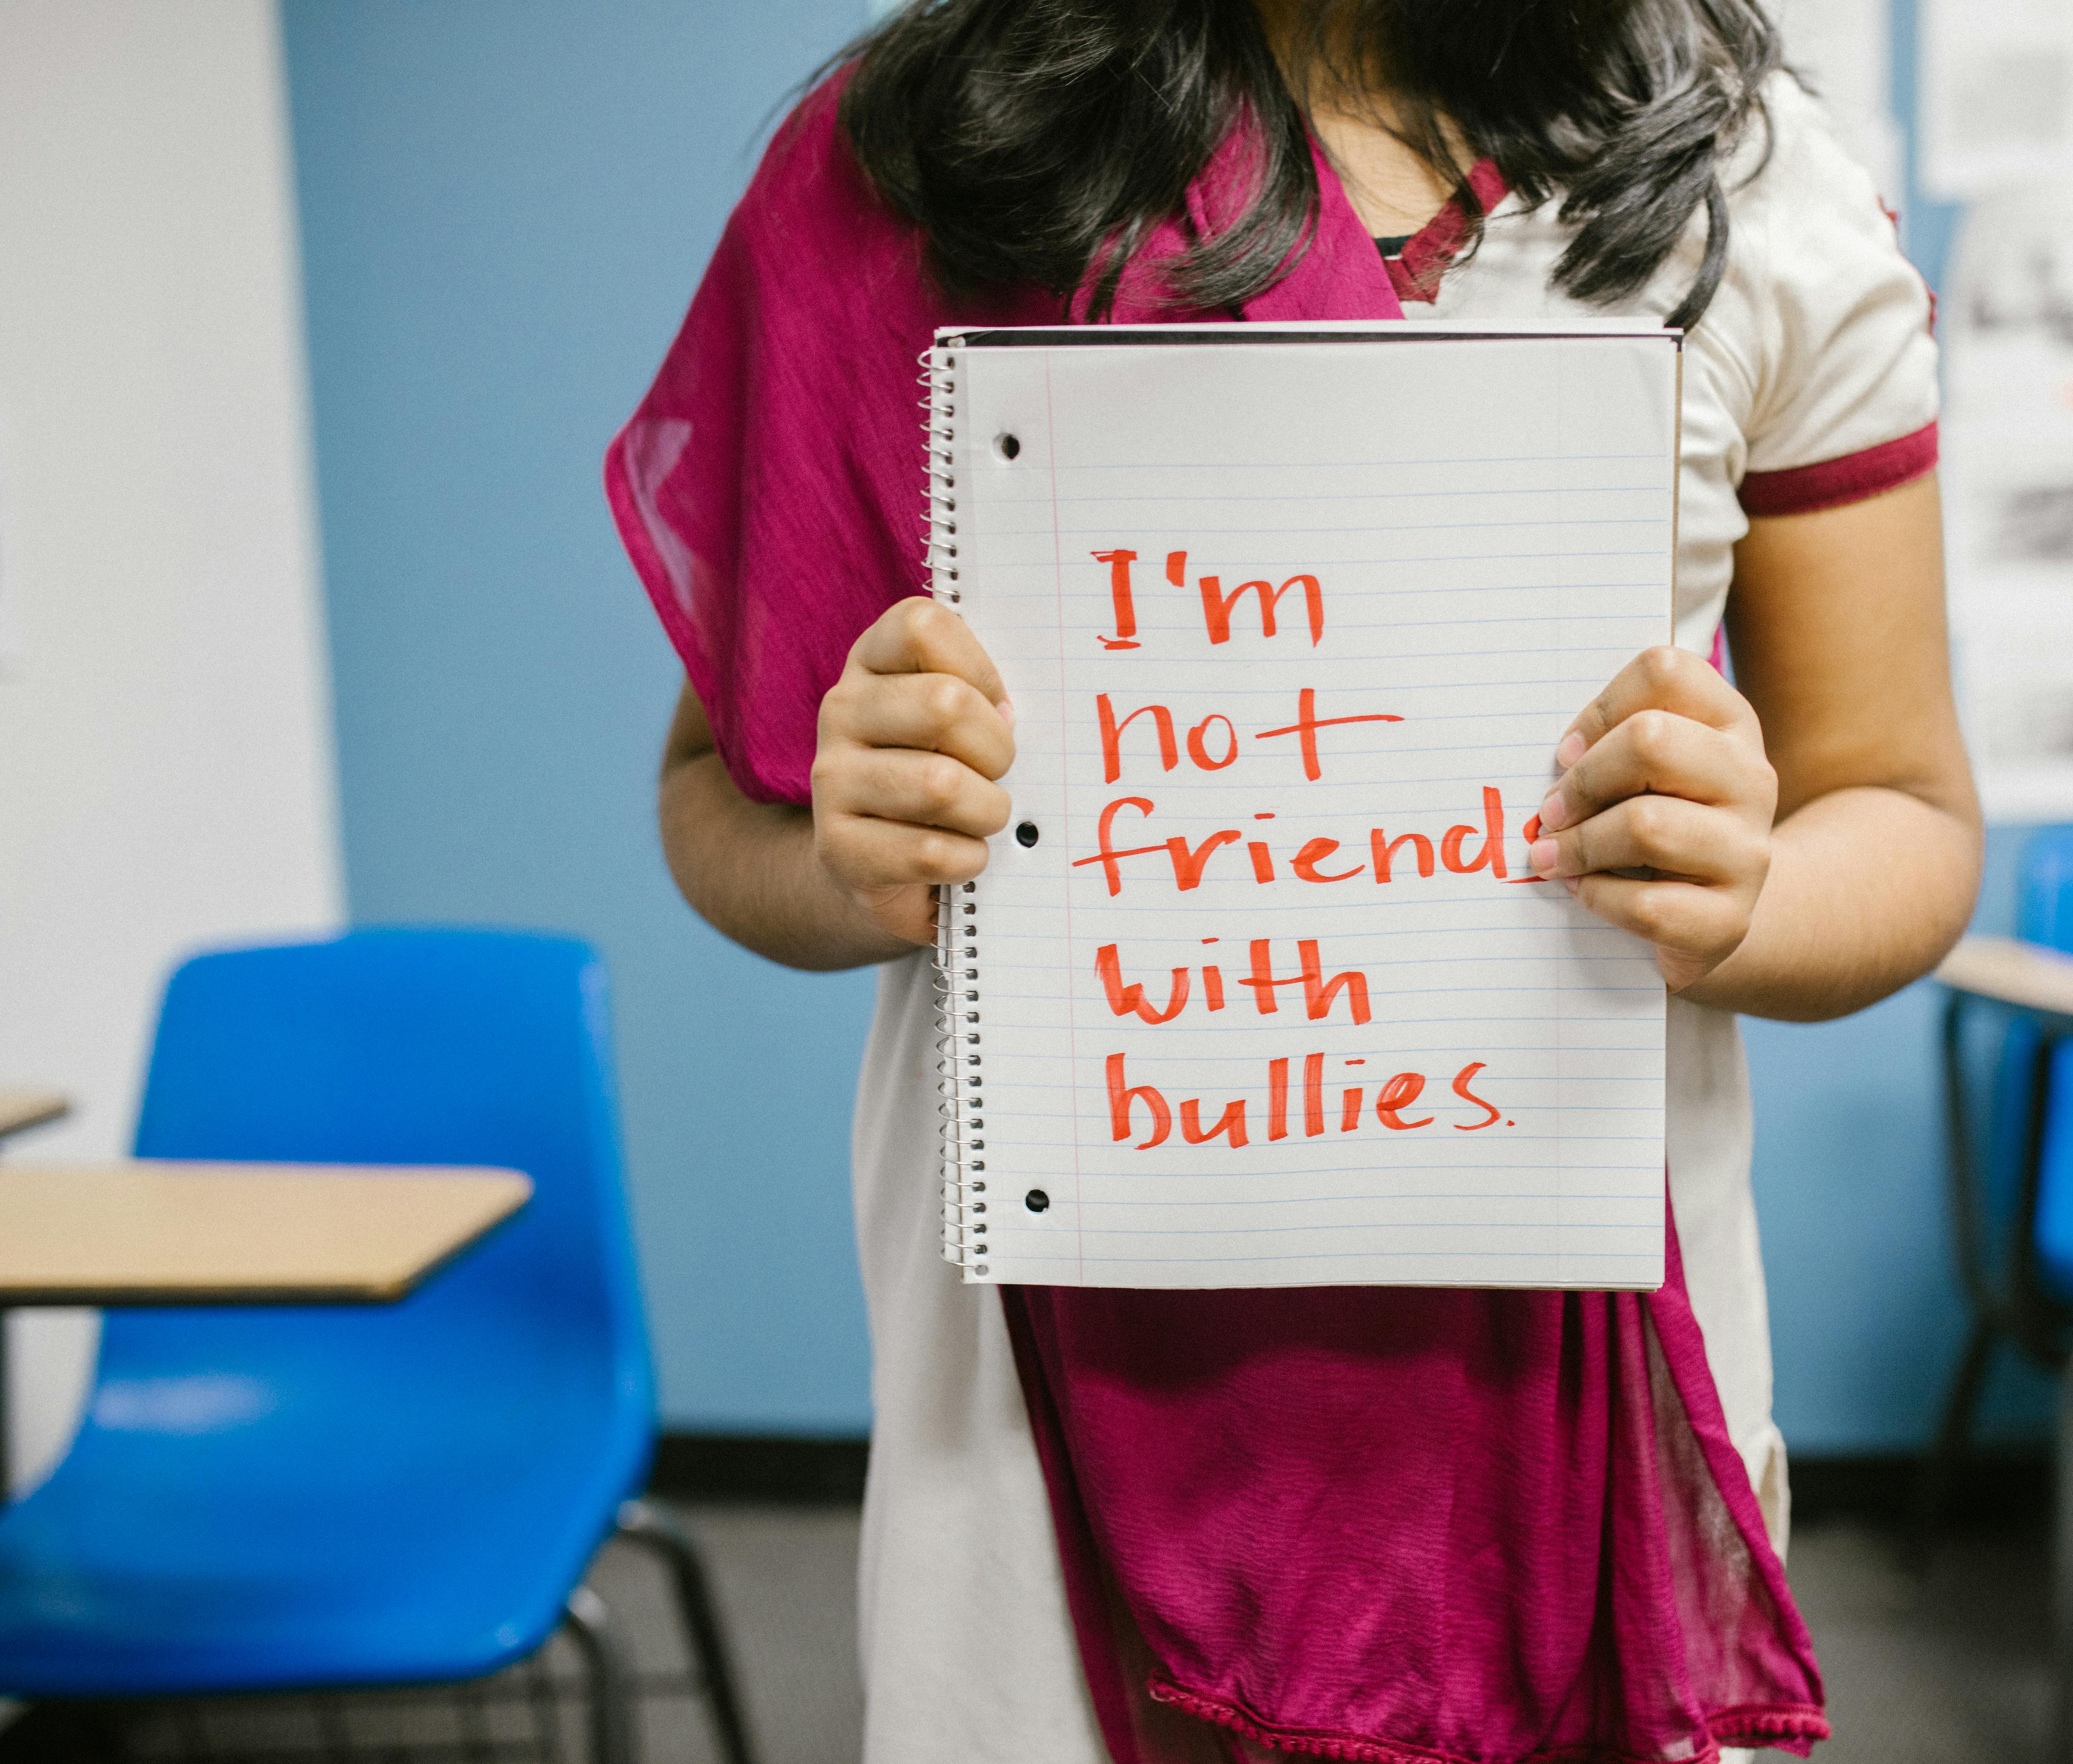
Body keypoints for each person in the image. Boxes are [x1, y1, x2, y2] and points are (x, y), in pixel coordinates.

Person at [610, 2, 1981, 1758]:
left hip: (1579, 1385)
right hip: (1040, 1417)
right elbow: (712, 804)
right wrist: (849, 858)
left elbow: (1905, 810)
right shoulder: (923, 160)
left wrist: (1747, 896)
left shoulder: (1738, 186)